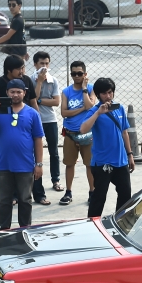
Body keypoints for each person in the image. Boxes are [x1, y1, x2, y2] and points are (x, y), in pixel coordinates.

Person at [0, 79, 44, 230]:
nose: (15, 95)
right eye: (12, 92)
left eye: (19, 92)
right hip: (4, 165)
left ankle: (25, 229)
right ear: (6, 93)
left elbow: (38, 140)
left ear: (24, 93)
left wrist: (39, 164)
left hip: (25, 165)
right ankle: (4, 230)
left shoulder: (32, 113)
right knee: (4, 201)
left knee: (25, 199)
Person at [80, 78, 135, 218]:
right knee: (99, 196)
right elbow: (83, 129)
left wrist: (130, 155)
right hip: (102, 162)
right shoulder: (94, 111)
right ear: (98, 95)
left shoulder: (120, 108)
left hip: (120, 160)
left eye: (110, 92)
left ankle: (120, 220)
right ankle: (93, 223)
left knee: (125, 195)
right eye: (104, 93)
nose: (108, 96)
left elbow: (124, 132)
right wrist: (98, 113)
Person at [59, 61, 96, 206]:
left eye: (80, 73)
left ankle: (92, 192)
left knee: (89, 164)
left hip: (88, 134)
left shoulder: (92, 89)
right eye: (74, 73)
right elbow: (63, 112)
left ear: (85, 74)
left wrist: (85, 88)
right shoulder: (66, 91)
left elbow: (90, 105)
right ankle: (68, 192)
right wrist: (81, 110)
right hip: (70, 133)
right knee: (69, 164)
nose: (77, 76)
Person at [30, 51, 63, 205]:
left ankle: (55, 180)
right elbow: (32, 99)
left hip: (50, 119)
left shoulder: (53, 80)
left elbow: (56, 102)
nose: (44, 67)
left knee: (54, 151)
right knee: (36, 154)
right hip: (35, 120)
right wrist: (40, 83)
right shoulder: (30, 80)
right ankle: (37, 186)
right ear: (35, 64)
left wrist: (41, 100)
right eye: (41, 63)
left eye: (47, 63)